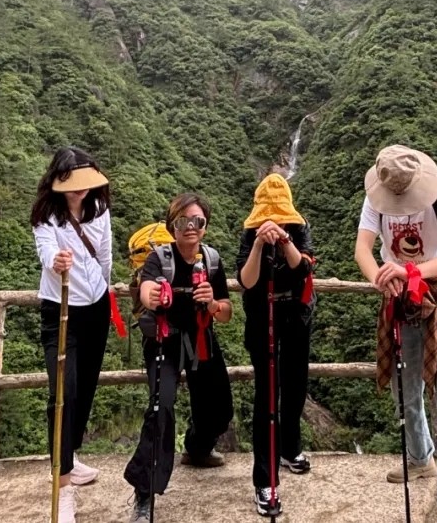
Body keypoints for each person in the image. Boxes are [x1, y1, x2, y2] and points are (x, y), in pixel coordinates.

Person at [354, 145, 437, 519]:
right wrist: (381, 277)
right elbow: (362, 250)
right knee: (405, 392)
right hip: (401, 299)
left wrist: (410, 271)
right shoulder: (375, 201)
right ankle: (420, 457)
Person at [124, 193, 234, 521]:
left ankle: (198, 449)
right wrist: (155, 296)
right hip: (165, 340)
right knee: (161, 409)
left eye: (198, 221)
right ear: (173, 226)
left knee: (220, 406)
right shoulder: (159, 258)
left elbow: (226, 313)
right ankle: (144, 493)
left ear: (205, 226)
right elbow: (146, 291)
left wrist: (213, 304)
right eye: (183, 221)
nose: (191, 226)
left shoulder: (211, 260)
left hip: (200, 337)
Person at [31, 146, 114, 523]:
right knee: (63, 393)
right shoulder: (46, 215)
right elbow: (46, 251)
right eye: (72, 182)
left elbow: (105, 255)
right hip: (60, 310)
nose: (80, 189)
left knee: (86, 387)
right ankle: (62, 485)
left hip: (96, 307)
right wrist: (56, 261)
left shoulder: (99, 208)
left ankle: (70, 456)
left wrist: (105, 289)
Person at [236, 173, 318, 517]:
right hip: (263, 318)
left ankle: (289, 448)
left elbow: (303, 268)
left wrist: (285, 240)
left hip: (296, 315)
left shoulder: (298, 228)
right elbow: (246, 280)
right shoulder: (249, 234)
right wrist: (258, 245)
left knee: (295, 386)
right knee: (266, 396)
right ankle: (264, 480)